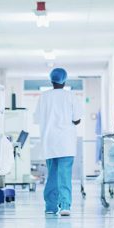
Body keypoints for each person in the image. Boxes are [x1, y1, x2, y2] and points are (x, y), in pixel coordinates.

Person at [33, 67, 82, 216]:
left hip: (50, 143)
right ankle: (65, 206)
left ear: (51, 80)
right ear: (65, 80)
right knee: (64, 175)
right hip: (66, 143)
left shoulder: (43, 97)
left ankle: (50, 207)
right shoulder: (71, 97)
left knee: (52, 175)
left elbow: (36, 119)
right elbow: (77, 119)